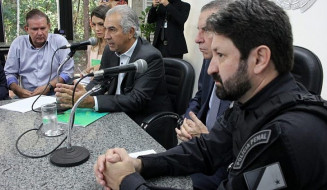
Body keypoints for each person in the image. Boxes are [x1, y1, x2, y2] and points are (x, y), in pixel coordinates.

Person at [94, 0, 327, 189]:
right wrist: (138, 164)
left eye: (221, 56)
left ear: (259, 59)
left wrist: (126, 182)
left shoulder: (284, 137)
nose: (211, 68)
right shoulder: (249, 103)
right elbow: (204, 151)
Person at [55, 5, 173, 126]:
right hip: (116, 115)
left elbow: (136, 100)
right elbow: (99, 81)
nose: (106, 36)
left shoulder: (150, 57)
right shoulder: (110, 50)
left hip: (144, 121)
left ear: (130, 32)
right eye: (105, 29)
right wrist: (82, 94)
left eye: (112, 29)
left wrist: (92, 101)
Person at [175, 1, 230, 189]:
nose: (197, 39)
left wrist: (208, 139)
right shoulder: (209, 60)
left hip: (222, 168)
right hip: (198, 148)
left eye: (206, 30)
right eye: (198, 30)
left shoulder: (242, 76)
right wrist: (187, 121)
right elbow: (199, 97)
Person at [4, 9, 74, 99]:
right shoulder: (18, 43)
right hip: (26, 95)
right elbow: (9, 73)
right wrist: (17, 89)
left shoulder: (59, 41)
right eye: (35, 29)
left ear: (48, 26)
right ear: (27, 29)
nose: (40, 33)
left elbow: (67, 72)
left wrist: (49, 86)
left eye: (43, 28)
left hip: (54, 93)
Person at [84, 5, 111, 75]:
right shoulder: (92, 45)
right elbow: (89, 69)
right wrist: (84, 73)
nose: (97, 29)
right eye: (94, 24)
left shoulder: (115, 46)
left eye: (101, 24)